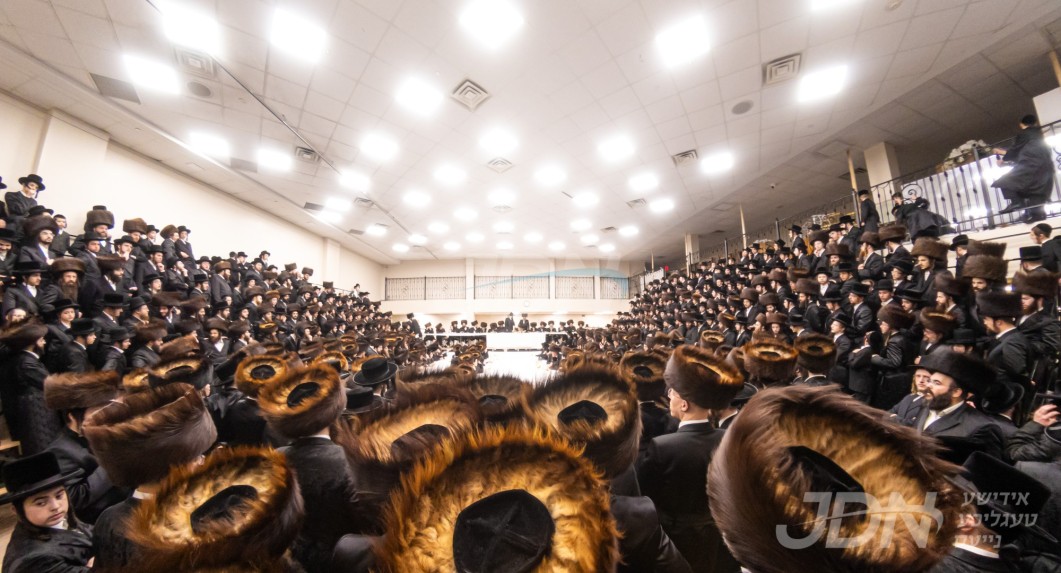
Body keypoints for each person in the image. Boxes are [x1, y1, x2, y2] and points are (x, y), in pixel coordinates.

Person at [638, 345, 743, 572]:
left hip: (676, 540)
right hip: (719, 538)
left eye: (673, 393)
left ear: (684, 404)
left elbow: (647, 496)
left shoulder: (662, 446)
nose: (669, 396)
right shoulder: (726, 439)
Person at [0, 452, 94, 572]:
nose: (55, 506)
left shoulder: (59, 521)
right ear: (16, 510)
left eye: (59, 496)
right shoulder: (35, 560)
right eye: (41, 503)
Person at [993, 114, 1056, 223]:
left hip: (1031, 166)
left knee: (1005, 182)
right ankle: (1035, 216)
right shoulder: (1039, 135)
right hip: (1045, 169)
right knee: (1036, 192)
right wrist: (1007, 162)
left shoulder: (1025, 134)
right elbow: (1025, 155)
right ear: (1035, 123)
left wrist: (1001, 155)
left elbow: (1015, 151)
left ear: (1021, 124)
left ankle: (1017, 203)